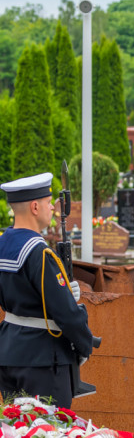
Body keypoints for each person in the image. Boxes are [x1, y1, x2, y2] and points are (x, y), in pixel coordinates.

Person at [0, 173, 93, 408]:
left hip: (9, 352)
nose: (52, 207)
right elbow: (67, 314)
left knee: (17, 436)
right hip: (43, 361)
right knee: (49, 436)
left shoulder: (3, 245)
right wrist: (85, 344)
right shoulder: (39, 252)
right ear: (34, 206)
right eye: (48, 201)